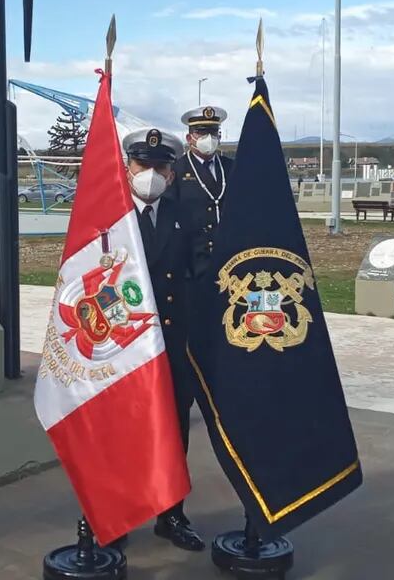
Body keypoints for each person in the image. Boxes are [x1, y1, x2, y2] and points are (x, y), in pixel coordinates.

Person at [123, 127, 205, 552]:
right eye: (143, 165)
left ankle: (171, 514)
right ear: (128, 167)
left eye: (159, 167)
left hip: (173, 340)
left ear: (171, 174)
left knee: (173, 429)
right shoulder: (111, 214)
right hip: (122, 345)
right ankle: (115, 516)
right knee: (120, 432)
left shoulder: (185, 213)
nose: (150, 173)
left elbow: (201, 268)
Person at [168, 105, 233, 280]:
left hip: (229, 255)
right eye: (202, 133)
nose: (208, 138)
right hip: (193, 259)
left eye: (213, 133)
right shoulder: (177, 170)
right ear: (190, 138)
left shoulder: (231, 167)